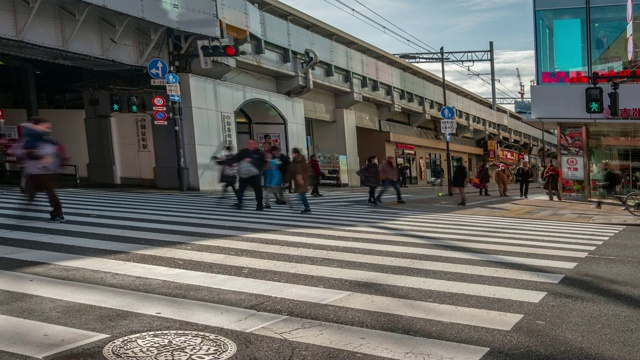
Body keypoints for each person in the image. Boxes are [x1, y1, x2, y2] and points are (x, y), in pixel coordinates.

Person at [19, 118, 66, 222]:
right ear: (37, 125)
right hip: (37, 169)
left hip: (43, 170)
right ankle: (55, 212)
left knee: (48, 191)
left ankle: (57, 213)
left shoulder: (41, 137)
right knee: (32, 189)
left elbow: (28, 151)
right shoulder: (37, 137)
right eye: (45, 126)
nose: (48, 129)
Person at [233, 139, 267, 210]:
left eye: (253, 143)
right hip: (244, 174)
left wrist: (252, 161)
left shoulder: (259, 153)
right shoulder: (243, 152)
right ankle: (239, 202)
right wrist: (235, 163)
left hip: (255, 174)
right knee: (241, 189)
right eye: (249, 143)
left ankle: (259, 205)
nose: (251, 145)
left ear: (256, 144)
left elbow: (263, 163)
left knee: (257, 189)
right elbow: (235, 158)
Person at [287, 148, 312, 213]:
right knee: (301, 194)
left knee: (301, 194)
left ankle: (306, 207)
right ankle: (306, 207)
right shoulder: (298, 160)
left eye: (293, 153)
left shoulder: (298, 161)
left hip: (301, 179)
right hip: (300, 179)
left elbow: (299, 170)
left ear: (296, 153)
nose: (291, 154)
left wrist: (299, 177)